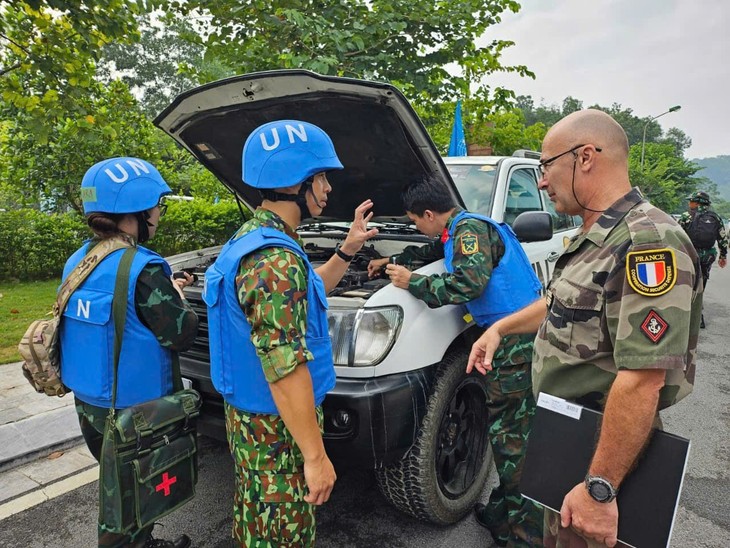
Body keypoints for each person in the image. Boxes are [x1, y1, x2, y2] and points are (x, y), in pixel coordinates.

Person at [467, 109, 701, 548]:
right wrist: (500, 329)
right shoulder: (592, 237)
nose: (541, 181)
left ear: (586, 157)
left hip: (602, 453)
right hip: (567, 439)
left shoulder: (646, 243)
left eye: (546, 166)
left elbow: (642, 380)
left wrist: (600, 489)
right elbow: (558, 302)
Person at [204, 120, 378, 547]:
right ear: (296, 182)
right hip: (276, 431)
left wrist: (347, 248)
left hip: (256, 424)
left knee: (258, 525)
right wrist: (316, 456)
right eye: (320, 177)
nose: (327, 188)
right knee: (283, 536)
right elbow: (284, 367)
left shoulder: (257, 240)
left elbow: (310, 288)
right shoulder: (274, 260)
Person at [367, 174, 544, 547]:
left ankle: (525, 536)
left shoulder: (469, 232)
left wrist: (411, 282)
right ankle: (500, 515)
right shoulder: (461, 229)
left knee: (513, 438)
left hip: (513, 342)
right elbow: (437, 252)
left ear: (430, 213)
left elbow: (468, 285)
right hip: (513, 336)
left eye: (416, 221)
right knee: (511, 433)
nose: (417, 227)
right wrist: (392, 260)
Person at [61, 157, 199, 548]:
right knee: (126, 500)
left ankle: (143, 541)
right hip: (135, 410)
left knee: (122, 488)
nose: (158, 213)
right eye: (157, 204)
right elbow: (181, 334)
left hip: (90, 401)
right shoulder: (144, 268)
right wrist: (177, 296)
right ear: (137, 210)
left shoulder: (80, 260)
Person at [678, 190, 727, 327]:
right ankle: (698, 317)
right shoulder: (715, 217)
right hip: (707, 256)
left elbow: (676, 236)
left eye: (691, 201)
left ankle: (683, 314)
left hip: (688, 255)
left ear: (697, 202)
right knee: (701, 283)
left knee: (685, 283)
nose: (689, 203)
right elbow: (722, 239)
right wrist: (723, 256)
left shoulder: (686, 216)